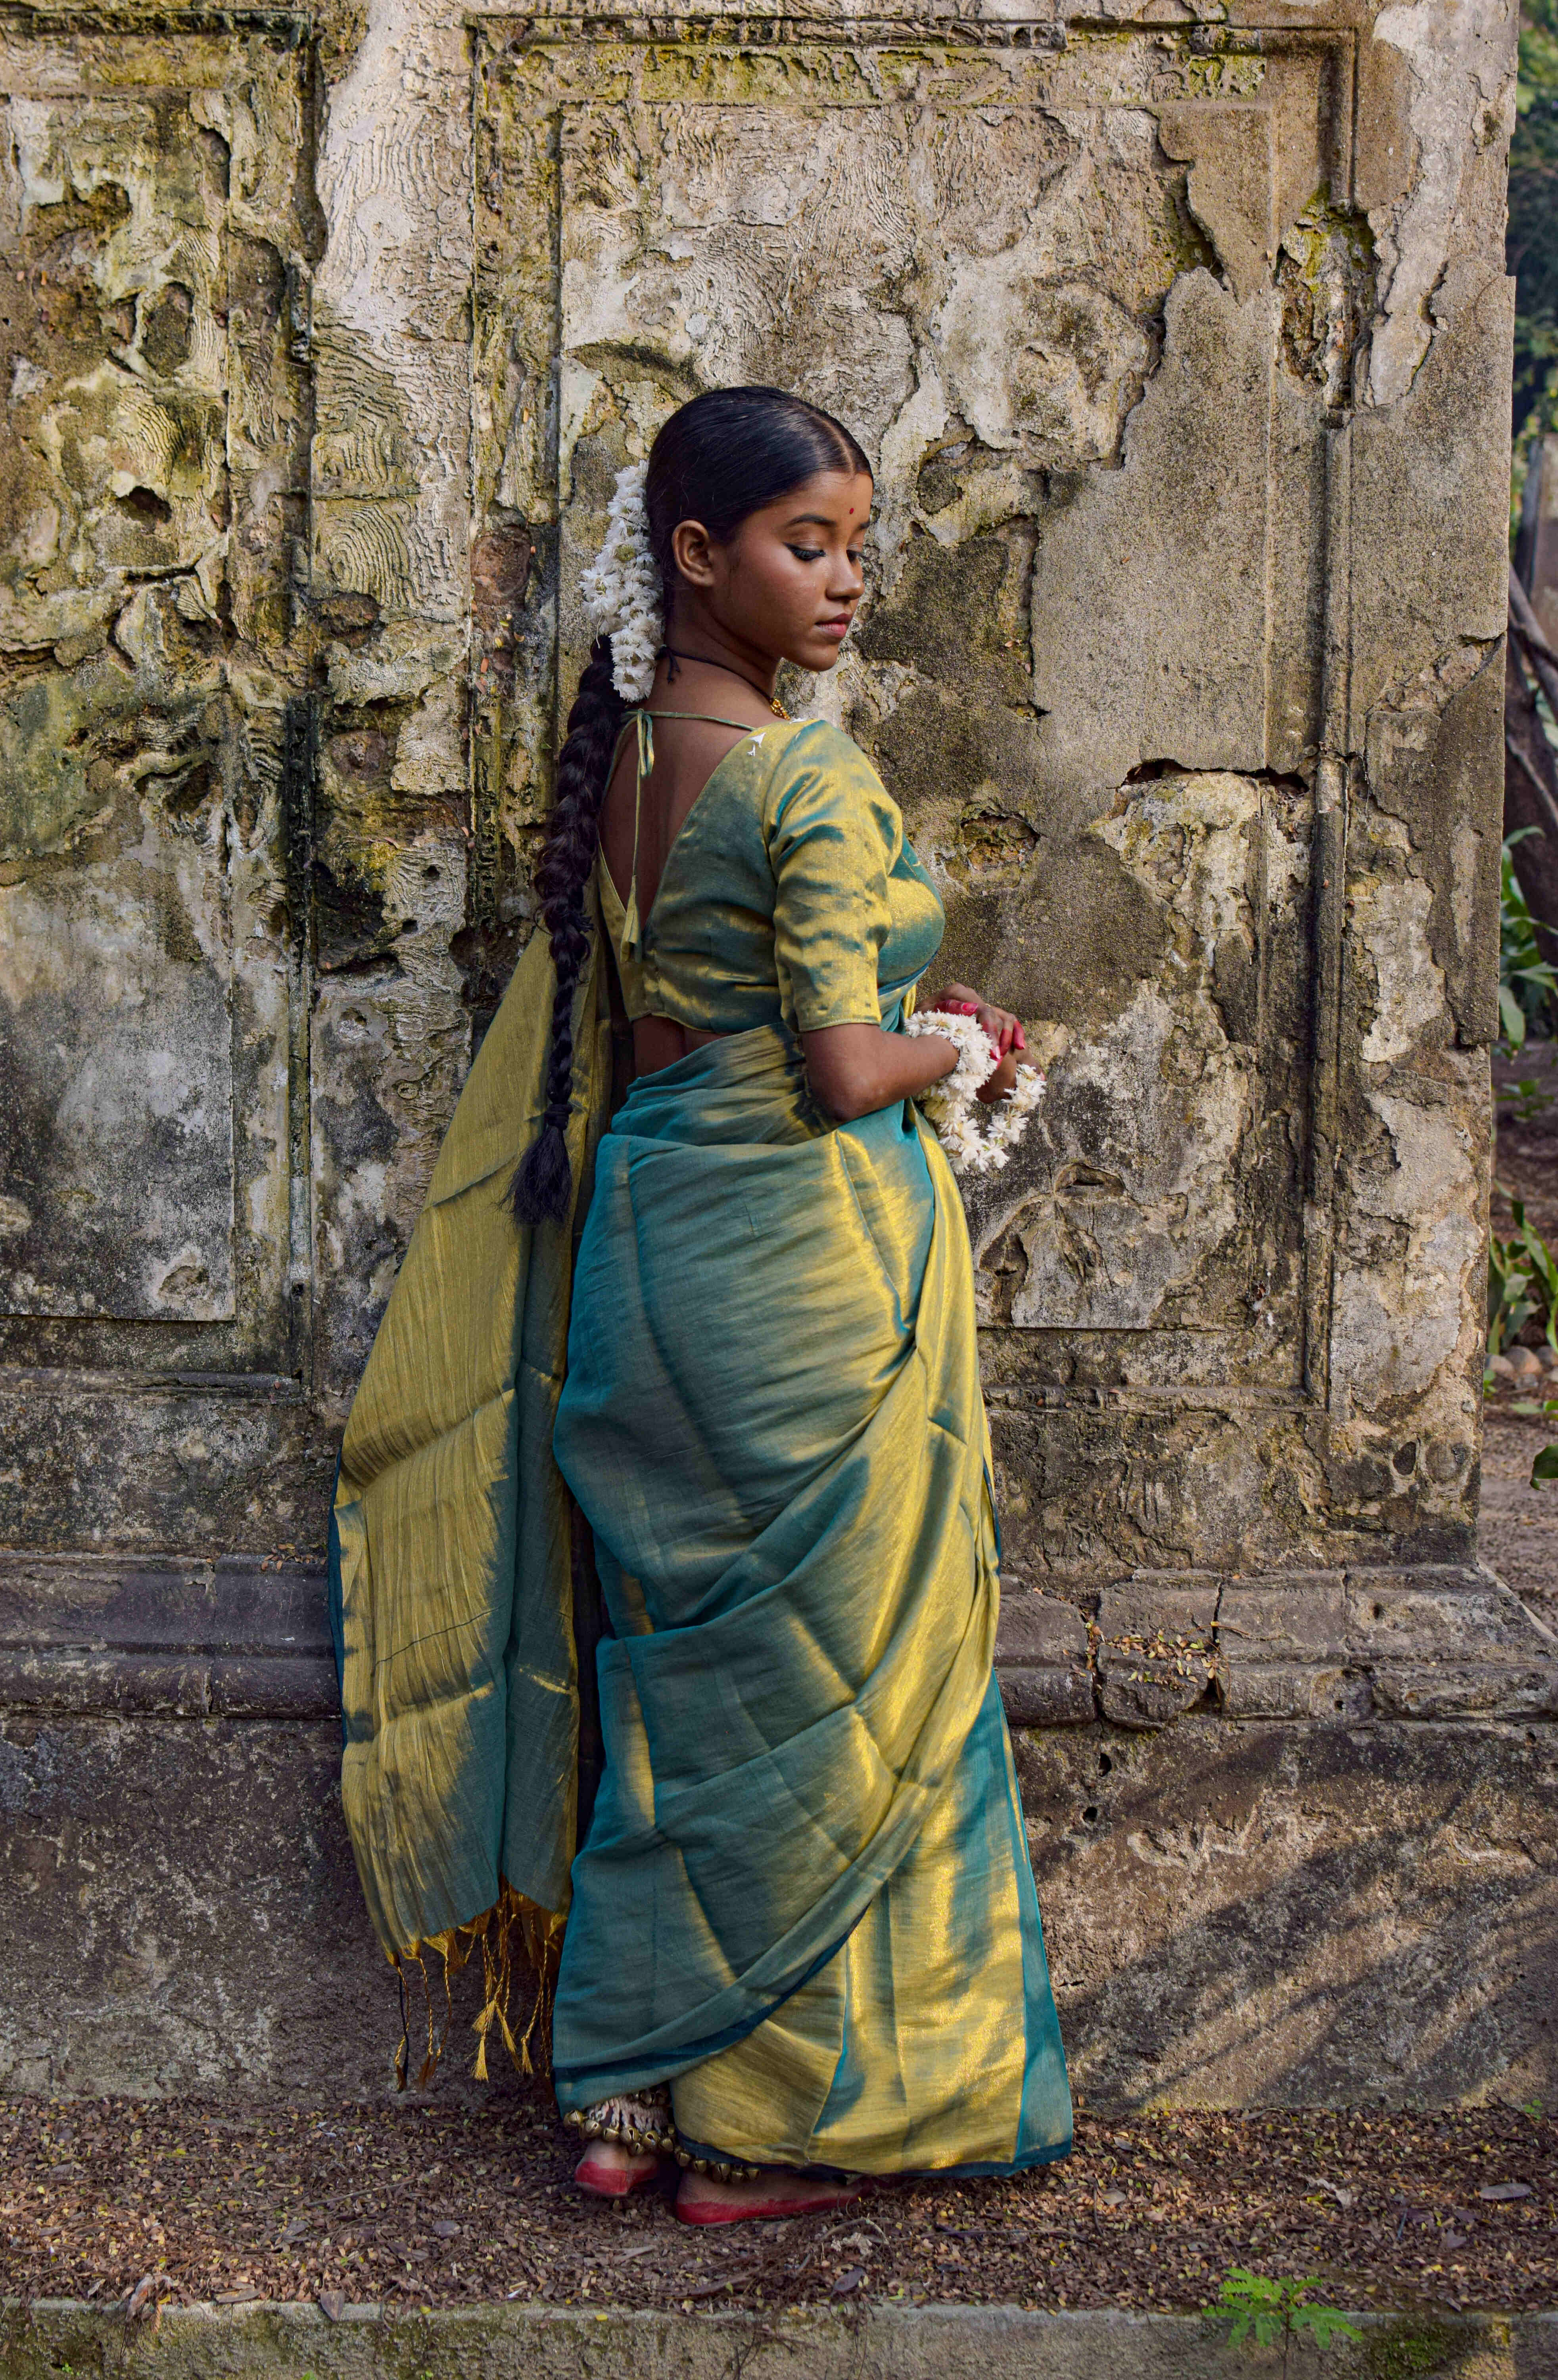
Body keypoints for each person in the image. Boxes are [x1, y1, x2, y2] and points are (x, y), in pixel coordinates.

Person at [329, 385, 1072, 2230]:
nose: (842, 583)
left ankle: (634, 2104)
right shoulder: (807, 776)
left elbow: (696, 1012)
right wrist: (956, 1044)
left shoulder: (637, 751)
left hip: (653, 1250)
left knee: (689, 1683)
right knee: (838, 1693)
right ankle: (776, 2125)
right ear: (693, 555)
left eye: (854, 546)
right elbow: (831, 1064)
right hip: (803, 1270)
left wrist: (888, 1029)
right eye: (803, 545)